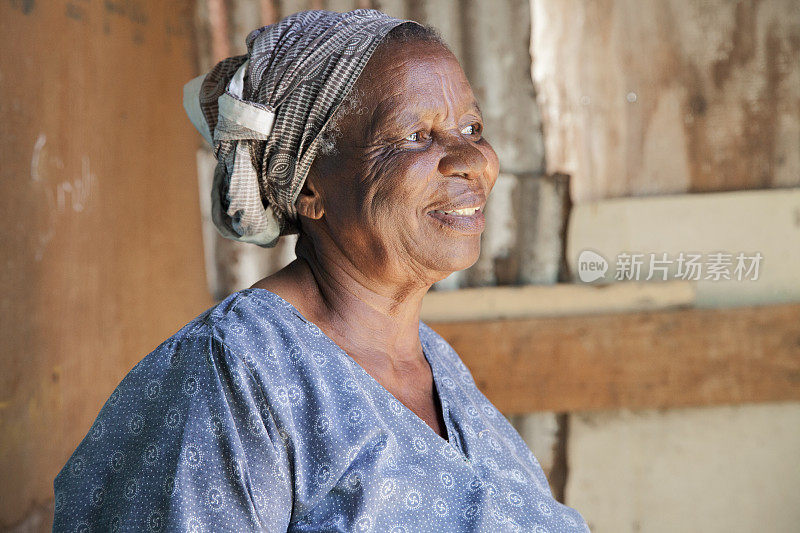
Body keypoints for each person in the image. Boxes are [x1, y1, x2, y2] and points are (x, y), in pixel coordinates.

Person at [53, 9, 589, 532]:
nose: (471, 159)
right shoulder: (234, 374)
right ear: (311, 185)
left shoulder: (438, 364)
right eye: (415, 136)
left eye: (471, 126)